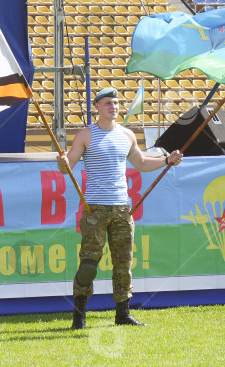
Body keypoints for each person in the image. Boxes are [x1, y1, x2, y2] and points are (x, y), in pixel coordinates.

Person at [56, 86, 183, 329]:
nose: (113, 107)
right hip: (95, 210)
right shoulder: (85, 135)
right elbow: (67, 165)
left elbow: (142, 162)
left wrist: (167, 160)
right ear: (97, 107)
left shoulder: (127, 135)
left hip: (123, 208)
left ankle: (122, 314)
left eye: (115, 103)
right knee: (88, 265)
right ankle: (79, 317)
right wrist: (62, 162)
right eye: (107, 103)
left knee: (123, 264)